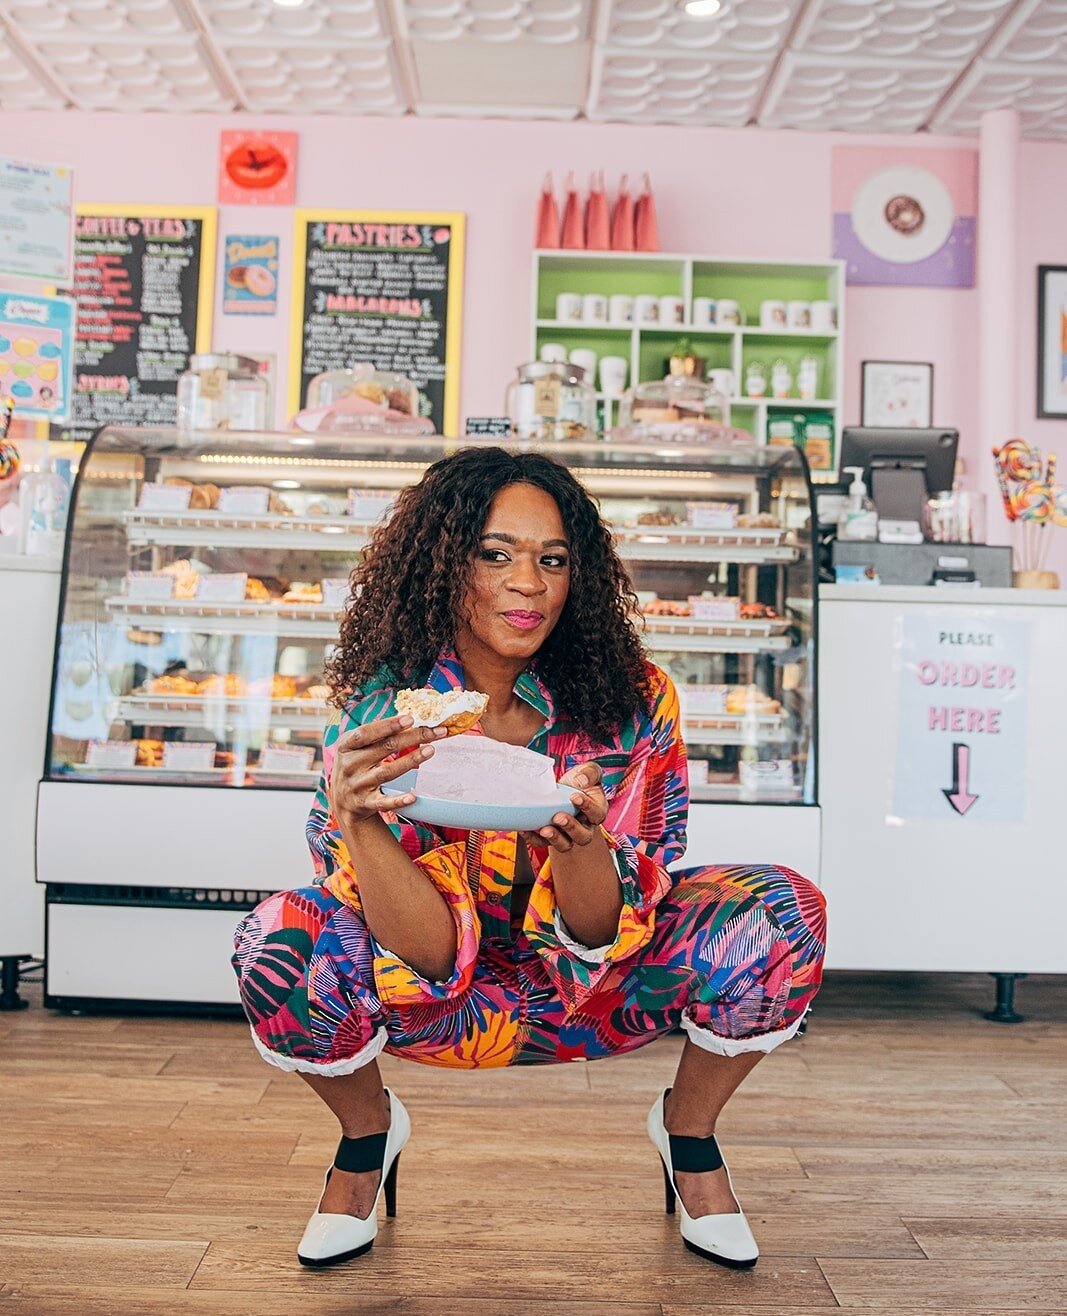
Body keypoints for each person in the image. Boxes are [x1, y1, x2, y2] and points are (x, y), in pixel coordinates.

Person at [233, 446, 827, 1271]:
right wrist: (358, 820)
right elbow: (427, 953)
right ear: (441, 564)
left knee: (780, 909)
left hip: (599, 988)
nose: (529, 583)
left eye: (552, 559)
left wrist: (583, 844)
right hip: (437, 997)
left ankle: (686, 1134)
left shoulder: (635, 700)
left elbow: (604, 927)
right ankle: (366, 1138)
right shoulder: (388, 713)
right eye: (495, 553)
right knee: (279, 936)